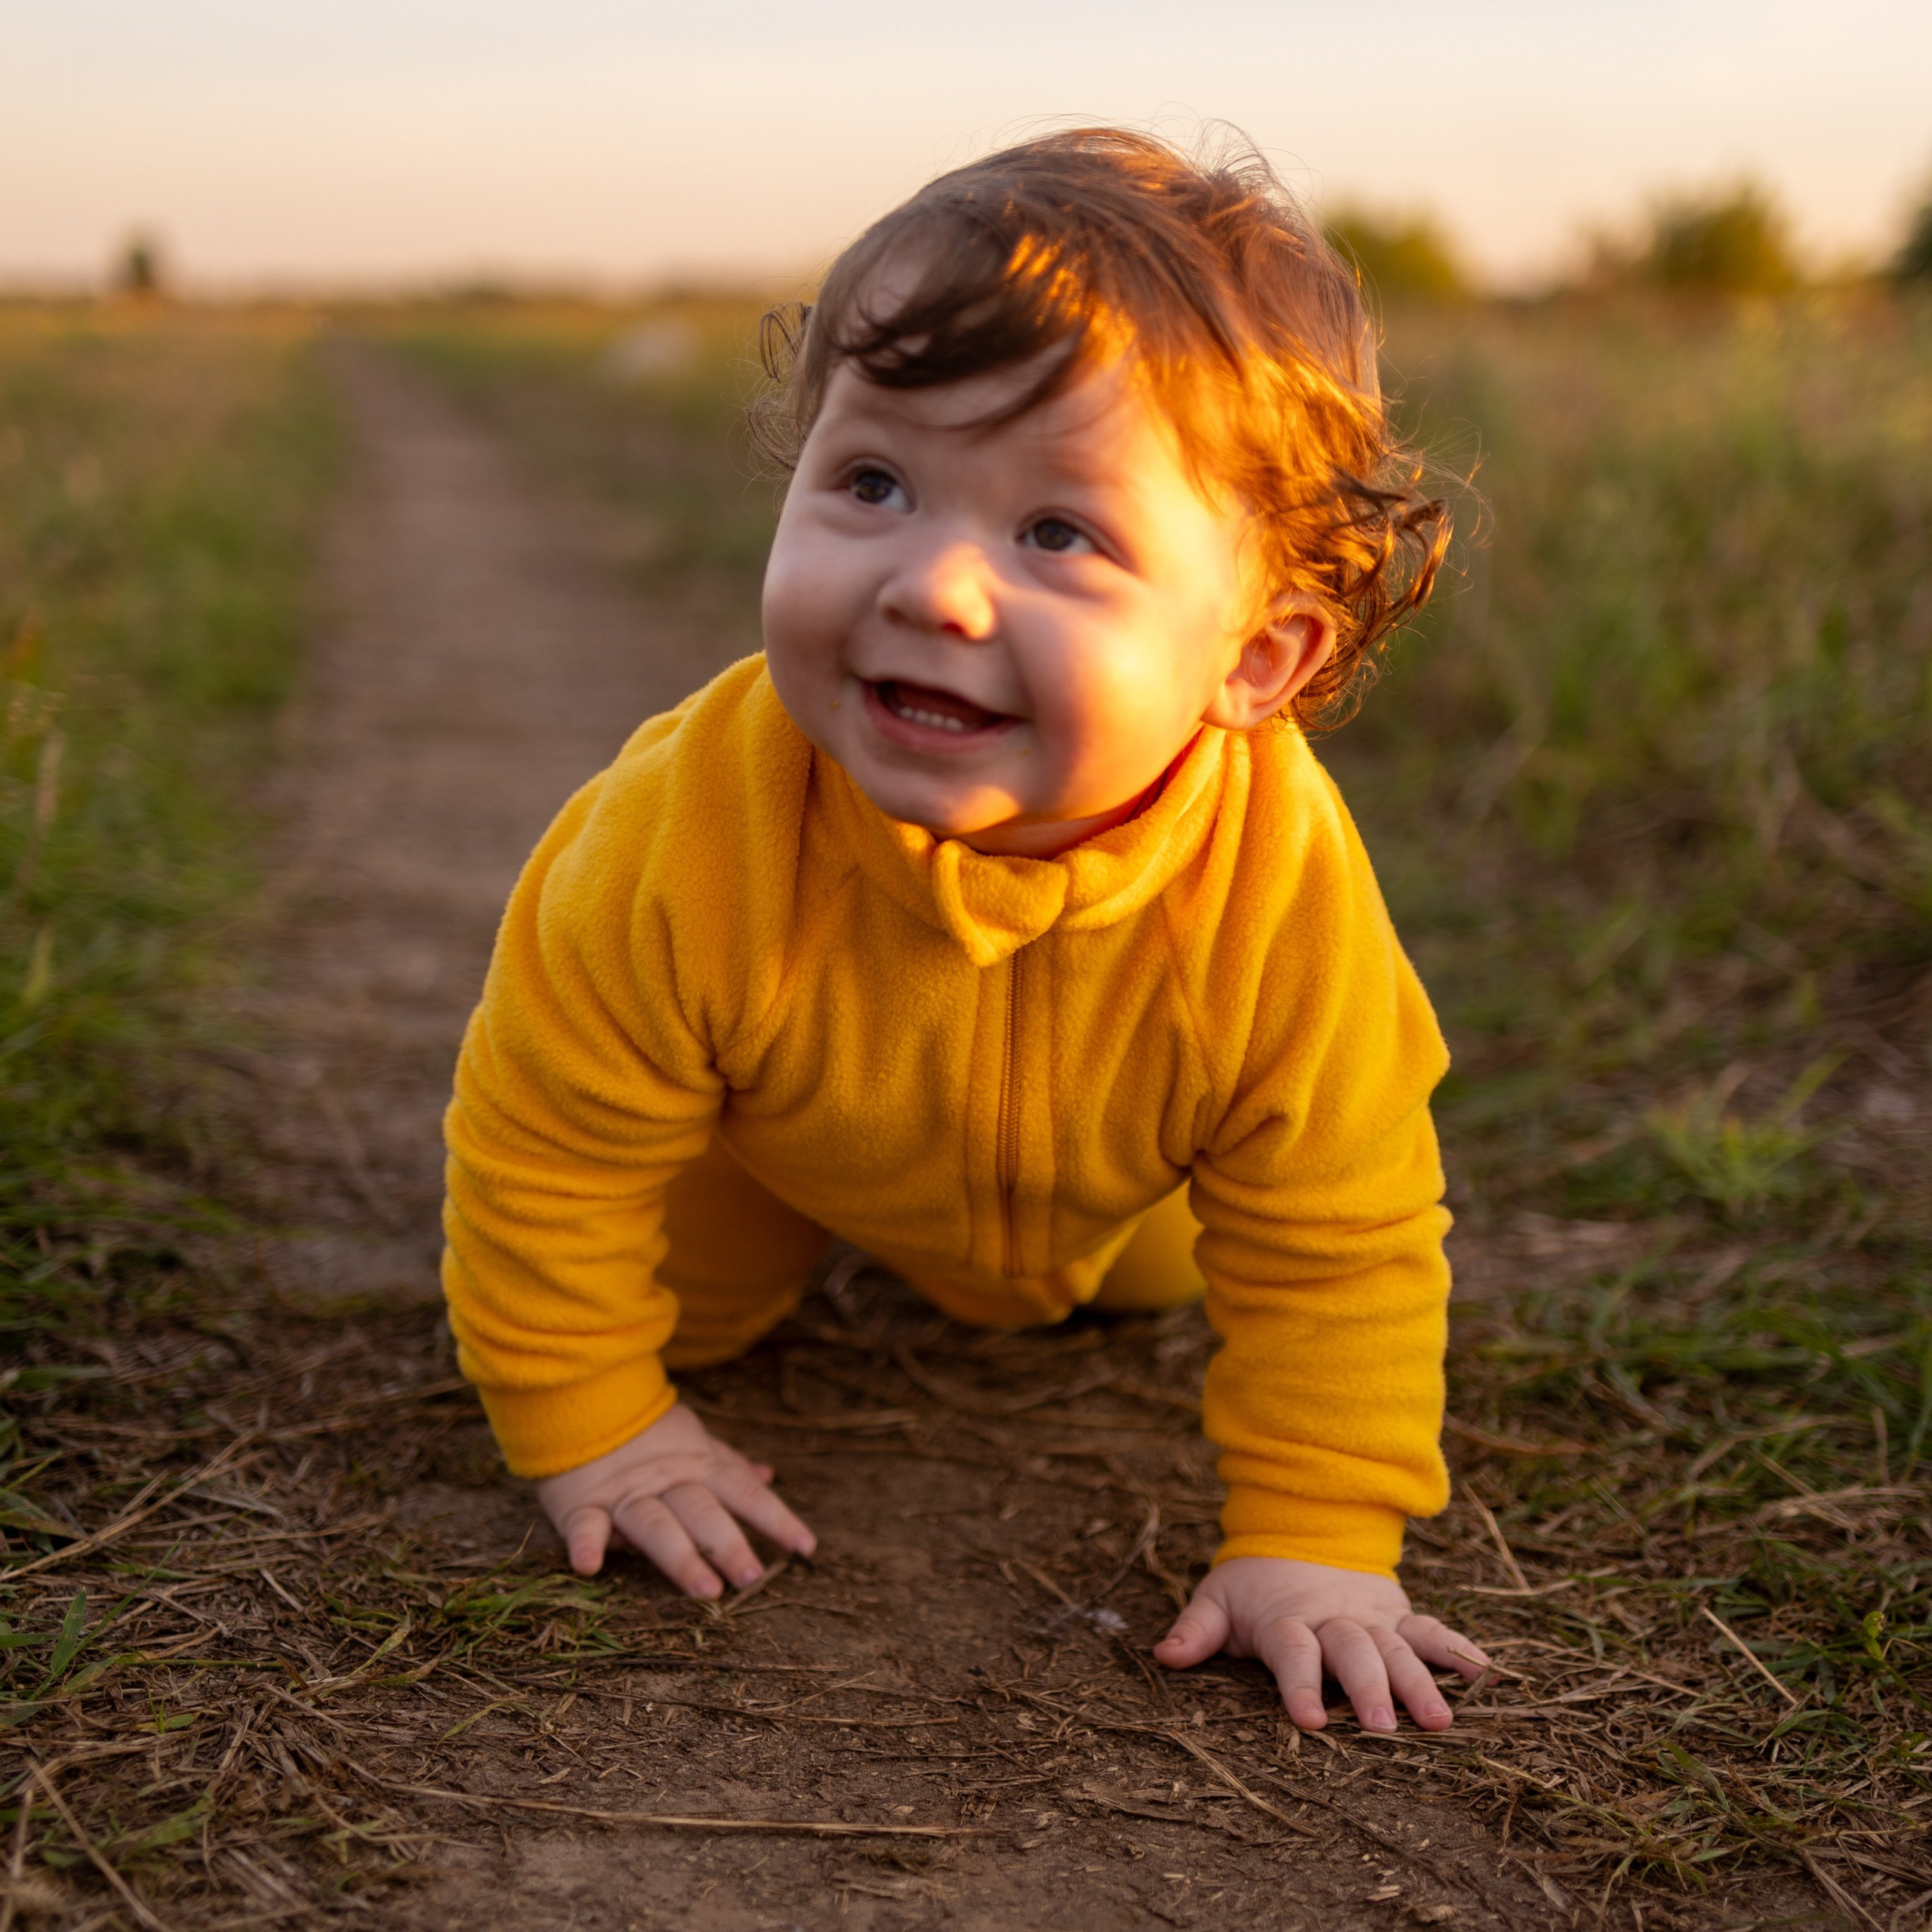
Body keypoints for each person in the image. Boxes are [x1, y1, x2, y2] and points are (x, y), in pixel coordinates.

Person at [440, 128, 1490, 1733]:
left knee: (1164, 1281)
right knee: (668, 1304)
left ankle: (1073, 1275)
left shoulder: (1275, 896)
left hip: (1112, 1177)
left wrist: (1315, 1540)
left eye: (1057, 534)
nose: (934, 582)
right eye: (870, 481)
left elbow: (1341, 1229)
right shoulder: (682, 835)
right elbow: (545, 1142)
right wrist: (596, 1419)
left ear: (1255, 659)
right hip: (774, 1148)